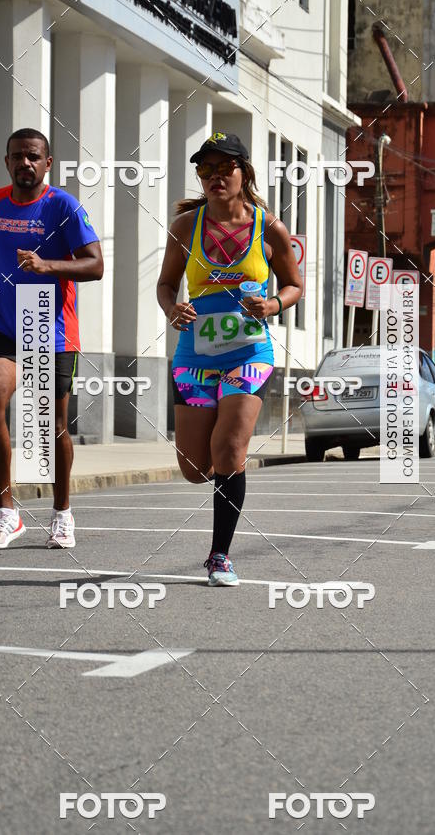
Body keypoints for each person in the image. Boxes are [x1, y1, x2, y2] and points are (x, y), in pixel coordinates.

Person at [157, 132, 302, 586]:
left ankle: (220, 555)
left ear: (244, 172)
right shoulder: (187, 227)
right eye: (206, 169)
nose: (216, 176)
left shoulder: (269, 227)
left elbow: (294, 285)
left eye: (225, 168)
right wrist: (171, 307)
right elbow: (165, 284)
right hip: (194, 355)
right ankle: (218, 530)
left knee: (230, 450)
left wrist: (273, 306)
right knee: (194, 468)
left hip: (249, 353)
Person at [0, 128, 104, 550]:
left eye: (33, 156)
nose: (25, 162)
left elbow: (95, 265)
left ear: (48, 163)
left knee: (50, 427)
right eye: (17, 156)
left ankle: (61, 512)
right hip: (2, 321)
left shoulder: (64, 206)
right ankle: (6, 511)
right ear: (7, 162)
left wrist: (48, 267)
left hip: (47, 320)